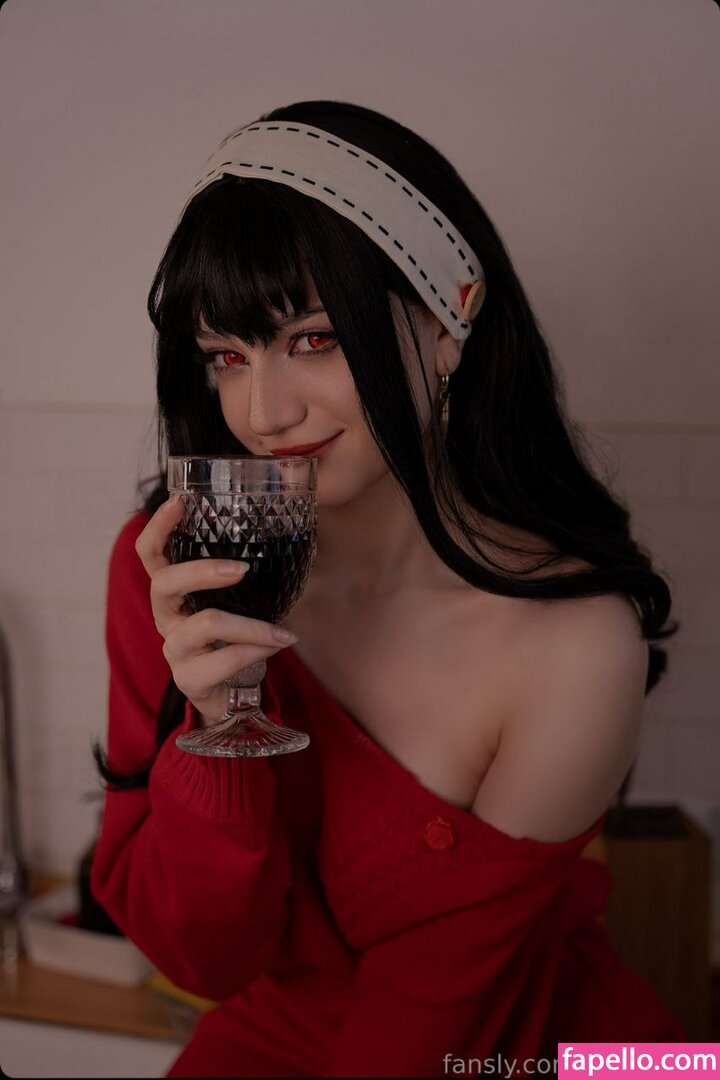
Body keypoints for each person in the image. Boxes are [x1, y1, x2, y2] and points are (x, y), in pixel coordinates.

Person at [91, 100, 685, 1078]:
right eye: (227, 356)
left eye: (314, 339)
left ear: (449, 323)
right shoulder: (178, 572)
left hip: (529, 1049)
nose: (264, 413)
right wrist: (219, 725)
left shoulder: (575, 643)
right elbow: (205, 961)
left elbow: (441, 1017)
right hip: (274, 1044)